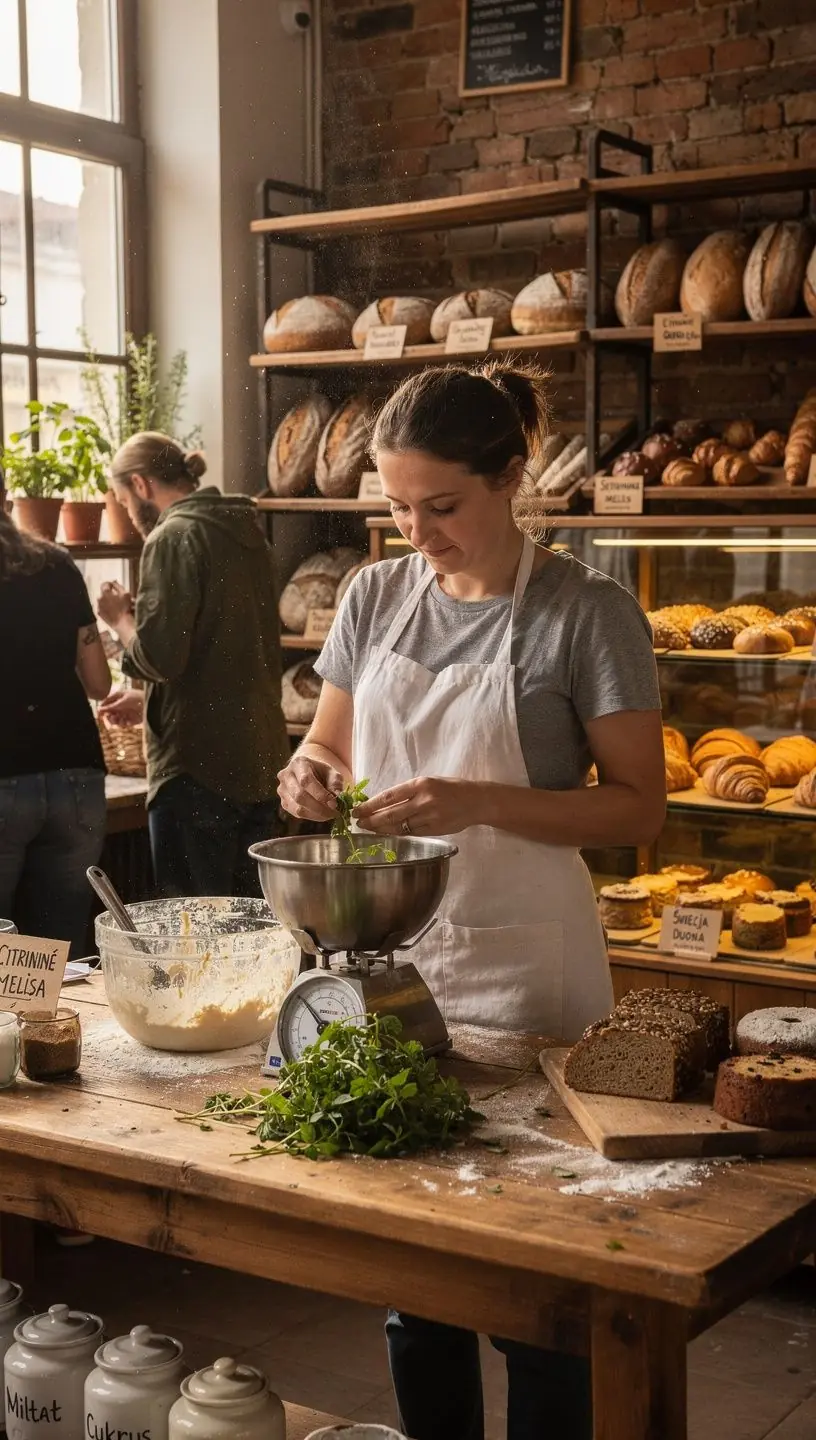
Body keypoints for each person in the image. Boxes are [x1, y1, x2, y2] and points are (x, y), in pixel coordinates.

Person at [276, 361, 665, 1440]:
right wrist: (303, 773)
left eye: (441, 506)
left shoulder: (585, 613)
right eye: (397, 507)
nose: (416, 531)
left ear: (509, 476)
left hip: (531, 977)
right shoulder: (373, 596)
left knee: (543, 1292)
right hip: (395, 970)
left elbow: (638, 811)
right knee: (420, 1284)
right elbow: (326, 742)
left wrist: (472, 800)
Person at [96, 433, 289, 898]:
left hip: (197, 768)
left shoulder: (173, 535)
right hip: (261, 760)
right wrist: (148, 700)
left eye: (123, 500)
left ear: (141, 484)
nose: (126, 512)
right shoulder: (246, 532)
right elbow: (228, 655)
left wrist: (120, 620)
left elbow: (159, 658)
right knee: (253, 933)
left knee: (192, 936)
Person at [0, 476, 110, 956]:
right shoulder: (58, 564)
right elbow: (101, 684)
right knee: (57, 953)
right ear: (5, 500)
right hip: (76, 779)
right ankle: (52, 1031)